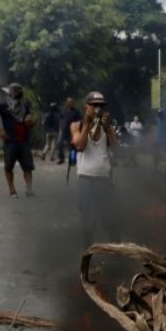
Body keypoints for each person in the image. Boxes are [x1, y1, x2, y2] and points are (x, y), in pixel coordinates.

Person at [72, 92, 119, 245]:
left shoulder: (108, 127)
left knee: (111, 220)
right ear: (86, 106)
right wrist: (87, 123)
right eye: (94, 105)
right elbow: (79, 146)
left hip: (104, 181)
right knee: (88, 223)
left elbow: (116, 149)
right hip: (85, 180)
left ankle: (116, 256)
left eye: (101, 106)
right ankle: (87, 257)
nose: (98, 108)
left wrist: (107, 127)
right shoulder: (76, 125)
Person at [0, 84, 37, 197]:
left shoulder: (25, 104)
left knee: (28, 167)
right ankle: (12, 190)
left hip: (24, 141)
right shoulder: (3, 105)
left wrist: (32, 122)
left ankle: (29, 189)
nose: (19, 92)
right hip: (10, 142)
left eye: (20, 90)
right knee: (9, 166)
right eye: (17, 90)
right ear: (11, 92)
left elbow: (29, 119)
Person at [56, 96, 81, 165]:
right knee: (59, 142)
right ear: (66, 103)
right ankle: (61, 158)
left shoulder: (76, 112)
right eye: (69, 102)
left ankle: (72, 159)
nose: (70, 103)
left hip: (72, 131)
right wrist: (60, 125)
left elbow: (80, 121)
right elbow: (60, 118)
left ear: (73, 103)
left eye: (71, 102)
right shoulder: (63, 110)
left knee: (71, 146)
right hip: (63, 130)